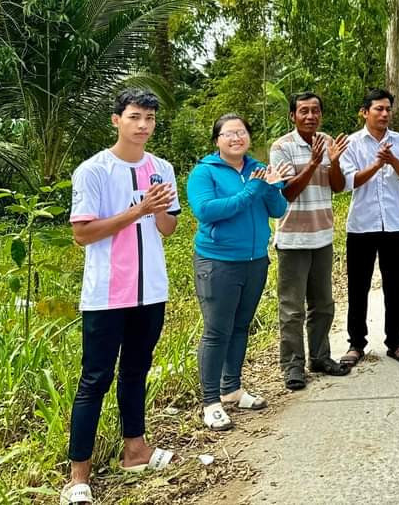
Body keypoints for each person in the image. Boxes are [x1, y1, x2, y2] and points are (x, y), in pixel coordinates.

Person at [63, 90, 180, 505]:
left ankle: (136, 450)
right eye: (134, 117)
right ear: (116, 120)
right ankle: (79, 475)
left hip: (151, 290)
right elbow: (82, 234)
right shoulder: (93, 170)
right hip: (106, 294)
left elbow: (167, 229)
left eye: (149, 117)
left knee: (136, 370)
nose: (143, 125)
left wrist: (159, 209)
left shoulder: (162, 168)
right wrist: (138, 209)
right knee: (95, 378)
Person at [187, 114, 291, 431]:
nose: (236, 138)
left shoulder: (257, 169)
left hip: (255, 260)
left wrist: (271, 188)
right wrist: (254, 189)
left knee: (241, 325)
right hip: (217, 262)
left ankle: (231, 388)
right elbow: (208, 211)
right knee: (217, 330)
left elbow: (278, 209)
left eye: (242, 132)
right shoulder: (204, 173)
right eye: (229, 133)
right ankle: (210, 402)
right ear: (217, 139)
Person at [330, 89, 399, 366]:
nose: (384, 114)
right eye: (378, 109)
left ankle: (396, 342)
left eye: (387, 109)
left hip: (393, 224)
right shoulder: (352, 143)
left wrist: (392, 161)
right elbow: (347, 183)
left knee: (395, 287)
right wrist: (376, 164)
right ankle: (356, 344)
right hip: (362, 226)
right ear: (364, 112)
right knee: (358, 287)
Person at [269, 92, 351, 392]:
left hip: (322, 236)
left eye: (315, 110)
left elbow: (339, 187)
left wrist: (335, 161)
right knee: (292, 308)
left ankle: (320, 357)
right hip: (293, 238)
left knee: (323, 304)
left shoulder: (328, 141)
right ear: (293, 116)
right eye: (303, 111)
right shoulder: (281, 147)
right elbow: (287, 192)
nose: (310, 116)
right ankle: (293, 365)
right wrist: (314, 162)